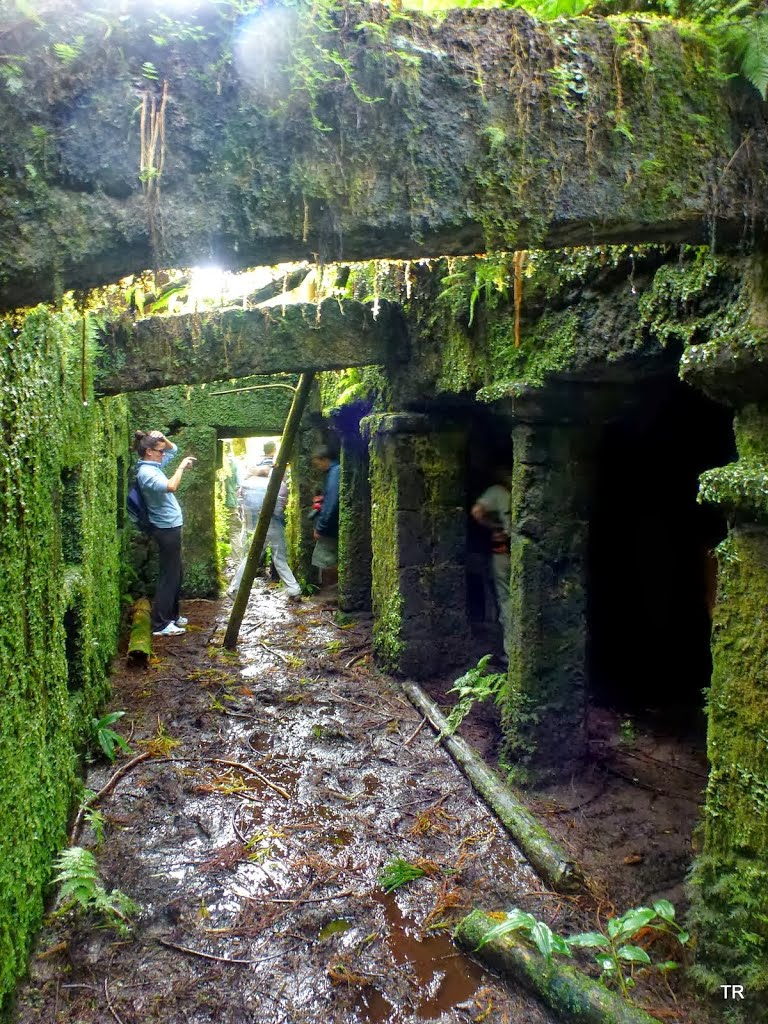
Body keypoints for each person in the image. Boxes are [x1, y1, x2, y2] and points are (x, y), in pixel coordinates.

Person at [134, 430, 196, 637]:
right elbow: (171, 486)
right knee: (169, 576)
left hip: (170, 525)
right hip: (165, 528)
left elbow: (173, 448)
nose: (163, 454)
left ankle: (172, 615)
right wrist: (180, 467)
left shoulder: (153, 465)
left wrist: (163, 438)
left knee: (176, 572)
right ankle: (160, 624)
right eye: (159, 451)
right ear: (149, 452)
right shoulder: (147, 473)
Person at [229, 464, 301, 599]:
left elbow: (241, 506)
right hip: (273, 525)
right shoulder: (279, 485)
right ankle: (293, 590)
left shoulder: (246, 485)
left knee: (250, 558)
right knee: (279, 558)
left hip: (254, 526)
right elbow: (279, 509)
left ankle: (234, 588)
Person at [471, 469, 512, 664]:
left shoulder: (498, 491)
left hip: (503, 552)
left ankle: (511, 655)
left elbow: (477, 512)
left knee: (506, 600)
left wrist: (494, 528)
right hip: (516, 552)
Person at [311, 446, 340, 590]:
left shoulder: (335, 473)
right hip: (332, 526)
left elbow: (332, 503)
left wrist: (320, 528)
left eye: (317, 463)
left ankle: (333, 594)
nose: (318, 467)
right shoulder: (335, 472)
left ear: (324, 459)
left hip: (330, 529)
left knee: (326, 561)